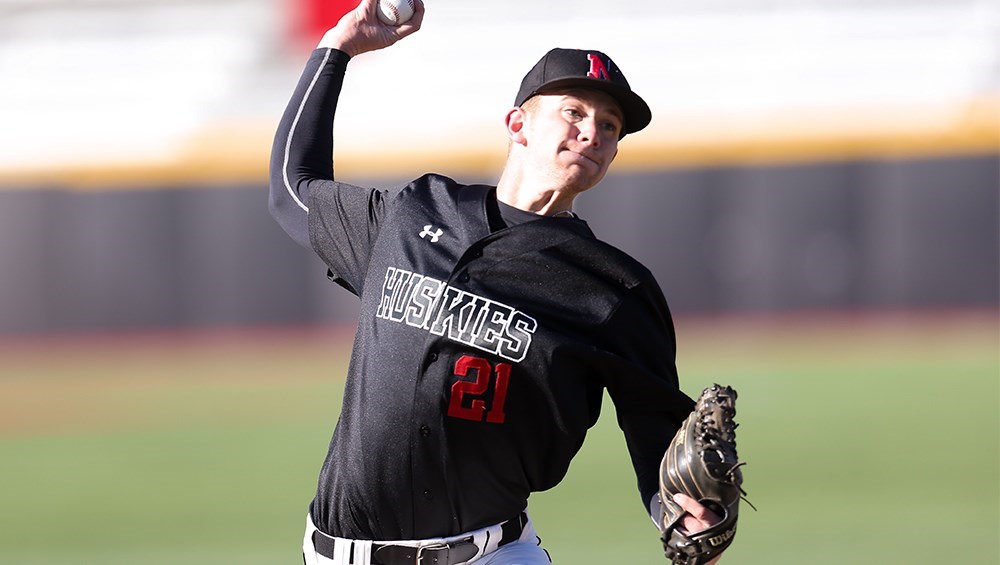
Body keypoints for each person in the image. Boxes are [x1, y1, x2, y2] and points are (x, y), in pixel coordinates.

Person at [269, 1, 726, 563]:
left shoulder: (613, 288)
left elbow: (658, 434)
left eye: (610, 127)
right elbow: (293, 189)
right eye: (575, 112)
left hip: (486, 555)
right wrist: (337, 49)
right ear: (518, 124)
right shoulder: (414, 213)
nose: (593, 133)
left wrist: (681, 512)